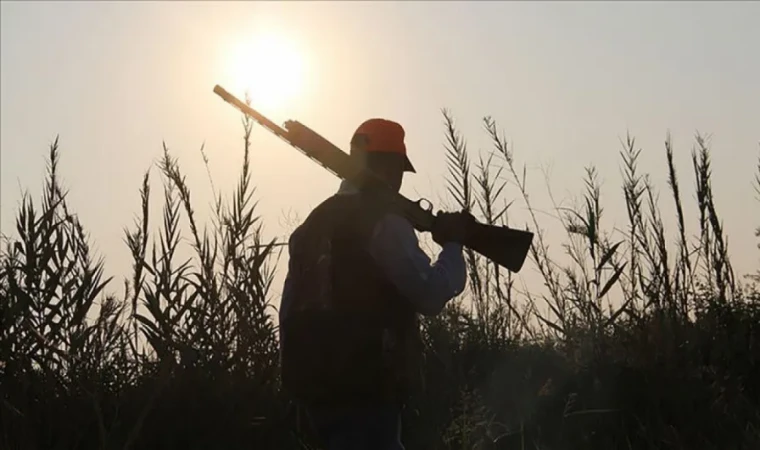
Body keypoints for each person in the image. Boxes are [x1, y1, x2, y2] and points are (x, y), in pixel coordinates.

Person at [278, 118, 474, 450]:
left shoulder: (311, 224)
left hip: (312, 393)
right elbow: (429, 296)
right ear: (392, 167)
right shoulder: (384, 221)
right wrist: (453, 245)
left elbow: (289, 311)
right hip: (366, 389)